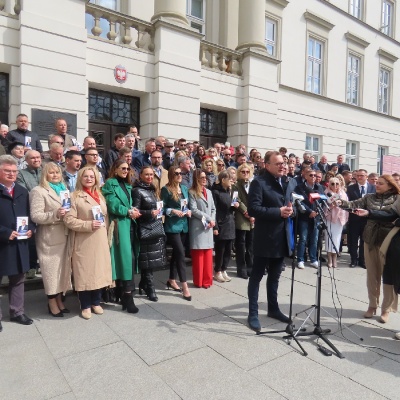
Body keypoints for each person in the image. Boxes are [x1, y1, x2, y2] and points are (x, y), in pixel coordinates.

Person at [339, 175, 399, 322]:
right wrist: (340, 202)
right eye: (376, 183)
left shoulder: (397, 199)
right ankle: (372, 305)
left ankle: (386, 309)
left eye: (380, 184)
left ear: (390, 186)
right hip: (370, 239)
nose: (376, 185)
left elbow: (390, 216)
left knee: (388, 277)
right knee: (372, 275)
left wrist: (370, 213)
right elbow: (353, 204)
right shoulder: (369, 197)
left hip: (388, 241)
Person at [247, 151, 294, 332]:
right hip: (265, 238)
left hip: (281, 238)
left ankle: (273, 308)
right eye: (278, 164)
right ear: (266, 165)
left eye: (283, 163)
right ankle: (253, 313)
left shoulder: (287, 182)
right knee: (257, 277)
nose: (283, 166)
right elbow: (253, 209)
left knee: (275, 277)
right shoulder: (259, 183)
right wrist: (278, 212)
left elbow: (289, 206)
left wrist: (290, 211)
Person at [64, 167, 112, 319]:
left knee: (98, 271)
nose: (89, 179)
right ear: (80, 178)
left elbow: (105, 217)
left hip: (100, 240)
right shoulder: (74, 197)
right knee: (84, 273)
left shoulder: (100, 195)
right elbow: (69, 220)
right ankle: (85, 305)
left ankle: (96, 302)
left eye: (92, 176)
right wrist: (88, 225)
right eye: (86, 176)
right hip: (84, 241)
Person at [30, 162, 71, 317]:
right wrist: (55, 214)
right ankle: (52, 302)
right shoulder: (38, 191)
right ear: (45, 175)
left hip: (65, 234)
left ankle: (60, 299)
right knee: (51, 273)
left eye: (57, 172)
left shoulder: (64, 190)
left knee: (62, 271)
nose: (55, 175)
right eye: (51, 173)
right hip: (50, 237)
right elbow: (36, 216)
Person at [0, 155, 34, 330]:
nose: (11, 174)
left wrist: (31, 229)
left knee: (18, 279)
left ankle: (17, 312)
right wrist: (5, 233)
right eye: (7, 171)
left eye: (14, 171)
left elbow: (30, 216)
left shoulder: (22, 190)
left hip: (20, 243)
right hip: (2, 243)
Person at [102, 160, 140, 313]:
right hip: (119, 225)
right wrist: (128, 211)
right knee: (125, 260)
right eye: (122, 168)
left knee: (126, 259)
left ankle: (122, 293)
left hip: (129, 224)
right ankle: (127, 296)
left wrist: (133, 209)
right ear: (115, 169)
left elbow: (126, 203)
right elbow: (111, 204)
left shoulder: (127, 185)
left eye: (127, 168)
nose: (125, 171)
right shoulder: (110, 183)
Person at [132, 166, 167, 302]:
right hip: (146, 228)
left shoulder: (152, 189)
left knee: (151, 261)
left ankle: (144, 284)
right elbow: (135, 210)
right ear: (140, 175)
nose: (149, 177)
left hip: (154, 226)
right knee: (147, 261)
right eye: (146, 174)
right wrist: (149, 213)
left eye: (151, 175)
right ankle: (150, 288)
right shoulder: (137, 191)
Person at [161, 166, 192, 301]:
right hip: (172, 226)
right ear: (171, 175)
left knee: (176, 253)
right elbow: (162, 208)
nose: (179, 175)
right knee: (180, 254)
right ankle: (184, 286)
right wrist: (172, 211)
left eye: (181, 173)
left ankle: (171, 279)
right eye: (177, 173)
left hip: (184, 225)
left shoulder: (184, 188)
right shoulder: (166, 189)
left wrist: (188, 211)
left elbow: (186, 205)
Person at [188, 169, 216, 289]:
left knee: (208, 256)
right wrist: (209, 218)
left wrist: (212, 220)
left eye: (205, 177)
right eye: (202, 177)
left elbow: (213, 208)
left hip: (208, 227)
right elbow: (194, 210)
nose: (205, 179)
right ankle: (199, 281)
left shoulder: (209, 192)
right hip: (198, 227)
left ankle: (207, 281)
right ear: (196, 179)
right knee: (199, 256)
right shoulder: (192, 192)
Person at [294, 168, 325, 269]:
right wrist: (309, 211)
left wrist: (315, 212)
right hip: (304, 217)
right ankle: (300, 259)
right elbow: (299, 202)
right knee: (303, 239)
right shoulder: (300, 187)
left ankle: (313, 259)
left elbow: (320, 201)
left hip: (315, 217)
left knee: (314, 239)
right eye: (311, 175)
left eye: (315, 175)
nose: (313, 177)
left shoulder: (319, 188)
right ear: (306, 176)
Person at [212, 170, 239, 283]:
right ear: (223, 180)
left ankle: (224, 269)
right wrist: (215, 227)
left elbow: (229, 207)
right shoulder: (216, 192)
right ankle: (217, 270)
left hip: (230, 222)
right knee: (221, 250)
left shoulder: (230, 191)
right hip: (221, 223)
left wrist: (235, 206)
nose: (232, 181)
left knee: (228, 249)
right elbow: (214, 210)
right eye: (230, 179)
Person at [347, 169, 376, 268]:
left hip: (367, 219)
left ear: (366, 176)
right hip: (354, 219)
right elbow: (349, 203)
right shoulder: (351, 188)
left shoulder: (373, 188)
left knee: (364, 241)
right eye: (358, 175)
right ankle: (353, 260)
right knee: (353, 241)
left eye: (362, 175)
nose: (359, 177)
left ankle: (362, 260)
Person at [234, 163, 255, 279]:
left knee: (250, 245)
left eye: (247, 172)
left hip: (252, 218)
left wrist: (254, 214)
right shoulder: (236, 185)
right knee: (241, 245)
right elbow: (236, 200)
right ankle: (241, 269)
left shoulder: (253, 185)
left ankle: (250, 267)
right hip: (242, 217)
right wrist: (247, 213)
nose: (245, 174)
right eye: (243, 172)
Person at [324, 177, 348, 268]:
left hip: (339, 219)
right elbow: (325, 206)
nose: (335, 186)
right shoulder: (326, 192)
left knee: (336, 239)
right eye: (332, 183)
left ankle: (335, 258)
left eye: (337, 183)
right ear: (329, 184)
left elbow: (346, 205)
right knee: (329, 238)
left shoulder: (343, 193)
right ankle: (329, 258)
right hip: (329, 217)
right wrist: (331, 205)